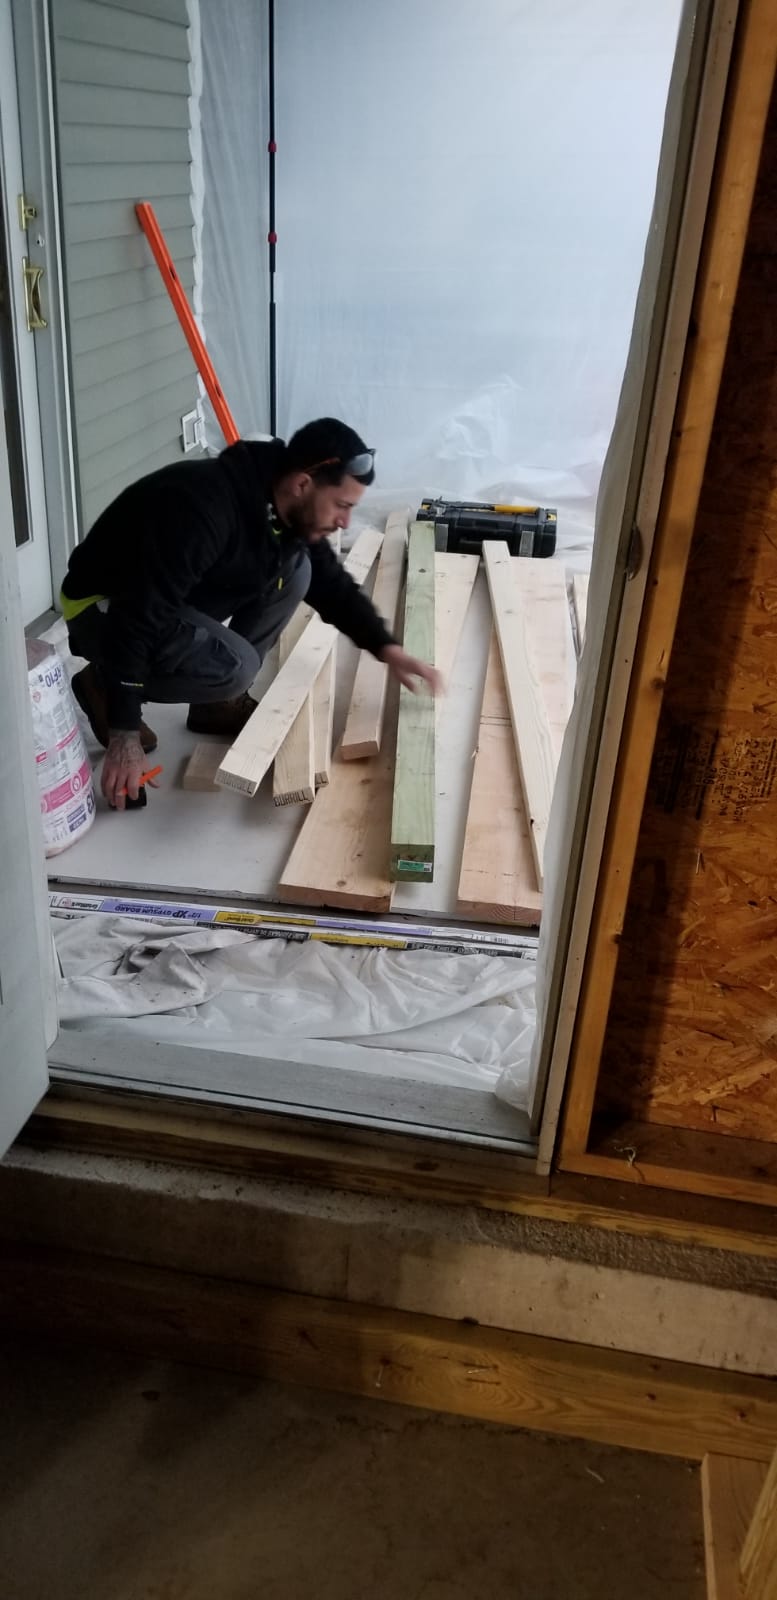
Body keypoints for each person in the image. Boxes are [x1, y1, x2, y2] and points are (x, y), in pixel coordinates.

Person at [60, 418, 440, 810]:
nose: (345, 521)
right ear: (303, 484)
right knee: (235, 668)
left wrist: (386, 648)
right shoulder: (204, 508)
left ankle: (213, 704)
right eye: (342, 505)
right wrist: (124, 732)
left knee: (298, 571)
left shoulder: (281, 504)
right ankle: (103, 684)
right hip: (105, 607)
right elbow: (139, 615)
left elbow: (332, 585)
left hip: (164, 591)